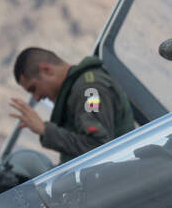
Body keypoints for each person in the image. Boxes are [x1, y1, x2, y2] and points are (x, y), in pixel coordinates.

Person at [8, 47, 136, 164]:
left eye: (33, 88)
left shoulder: (89, 89)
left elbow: (99, 147)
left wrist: (45, 130)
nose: (36, 97)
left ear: (46, 70)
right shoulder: (75, 92)